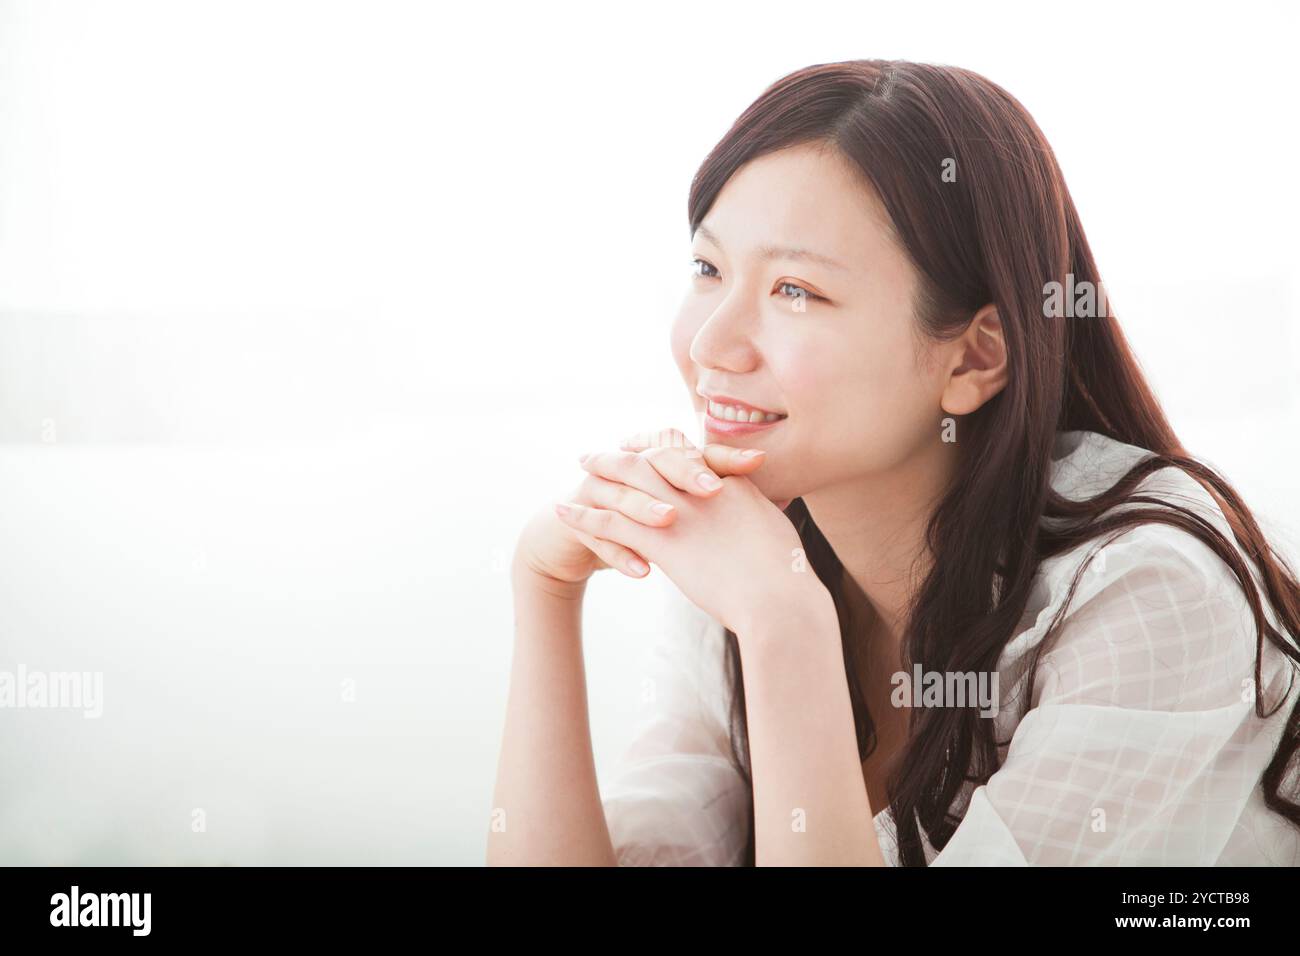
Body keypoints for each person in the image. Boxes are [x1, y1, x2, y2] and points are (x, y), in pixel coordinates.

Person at [487, 59, 1300, 866]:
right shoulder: (752, 554)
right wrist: (544, 585)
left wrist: (785, 630)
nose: (708, 345)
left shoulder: (1150, 596)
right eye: (709, 270)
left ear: (973, 360)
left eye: (795, 290)